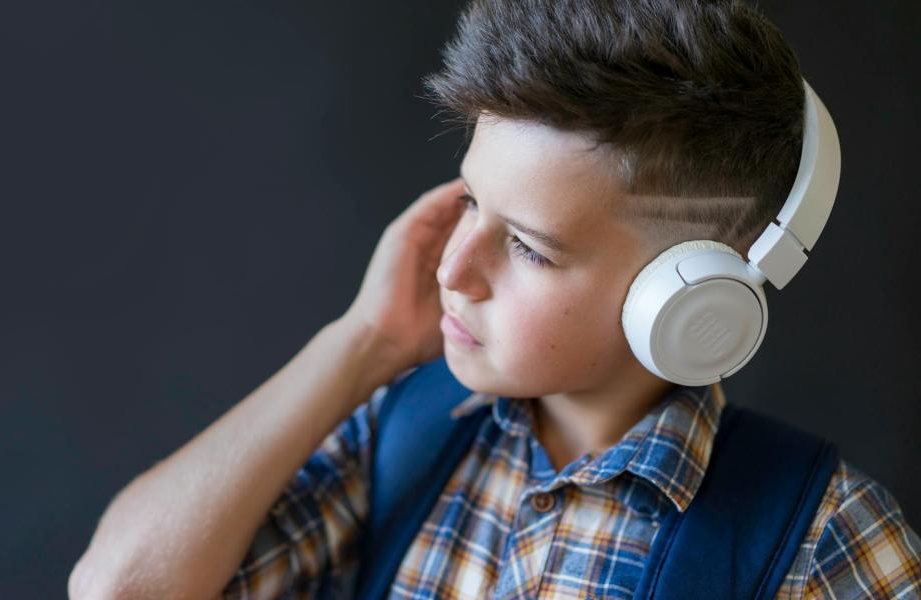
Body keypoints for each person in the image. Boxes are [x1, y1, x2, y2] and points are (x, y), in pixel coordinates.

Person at [68, 0, 921, 598]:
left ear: (693, 299)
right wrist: (361, 342)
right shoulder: (400, 438)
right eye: (470, 201)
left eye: (527, 246)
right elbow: (121, 588)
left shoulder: (823, 537)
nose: (452, 268)